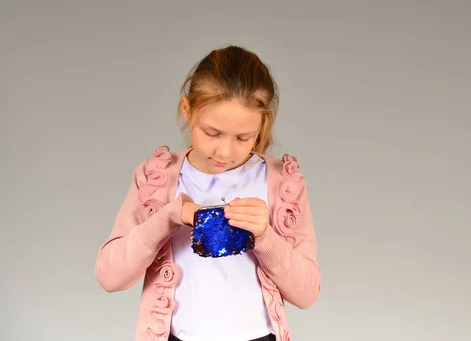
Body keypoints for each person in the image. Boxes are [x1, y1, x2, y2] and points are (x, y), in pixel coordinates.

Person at [94, 45, 321, 341]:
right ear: (187, 110)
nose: (224, 151)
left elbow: (307, 294)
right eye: (212, 133)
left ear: (262, 124)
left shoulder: (282, 183)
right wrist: (168, 217)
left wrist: (265, 237)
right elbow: (110, 277)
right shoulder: (157, 179)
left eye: (243, 137)